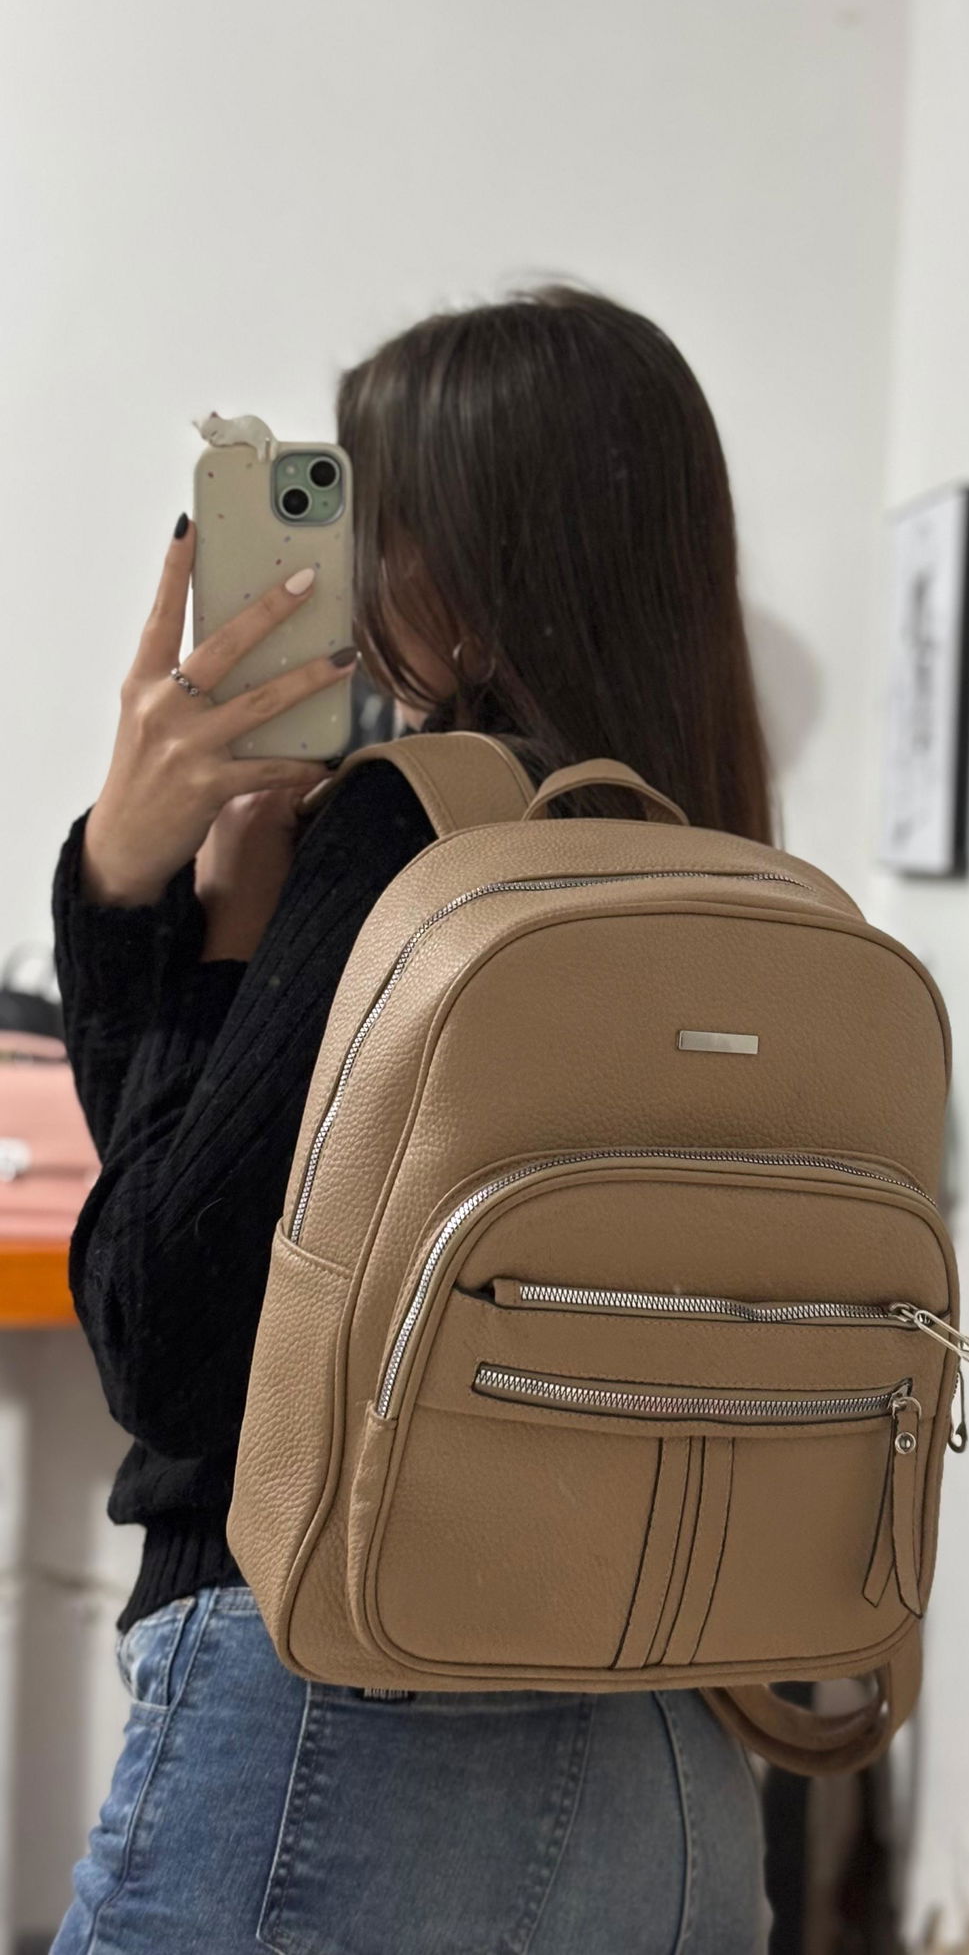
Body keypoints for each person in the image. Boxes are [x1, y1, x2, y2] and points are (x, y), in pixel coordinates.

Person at [49, 284, 774, 1954]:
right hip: (677, 1770)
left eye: (376, 521)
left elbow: (167, 1333)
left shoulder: (408, 834)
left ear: (451, 565)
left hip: (341, 1733)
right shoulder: (723, 865)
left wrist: (167, 909)